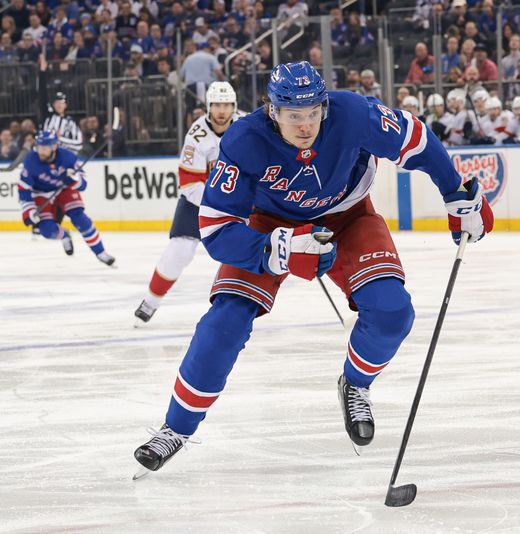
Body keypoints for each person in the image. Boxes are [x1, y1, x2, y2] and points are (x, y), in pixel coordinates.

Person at [132, 61, 494, 475]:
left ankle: (355, 384)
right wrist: (276, 249)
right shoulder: (244, 139)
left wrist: (455, 193)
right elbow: (215, 229)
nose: (305, 125)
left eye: (312, 113)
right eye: (293, 115)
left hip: (349, 214)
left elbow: (417, 139)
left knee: (393, 312)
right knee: (225, 322)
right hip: (267, 225)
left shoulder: (353, 113)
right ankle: (175, 429)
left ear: (324, 106)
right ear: (273, 111)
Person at [134, 82, 241, 326]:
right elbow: (190, 183)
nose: (222, 111)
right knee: (178, 251)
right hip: (199, 203)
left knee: (245, 252)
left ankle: (243, 305)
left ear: (233, 106)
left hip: (238, 202)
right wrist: (217, 203)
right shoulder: (197, 134)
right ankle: (150, 301)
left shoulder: (246, 127)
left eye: (226, 105)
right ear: (208, 107)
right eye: (216, 105)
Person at [18, 131, 115, 266]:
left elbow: (83, 185)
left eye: (44, 148)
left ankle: (100, 252)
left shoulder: (68, 157)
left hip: (64, 189)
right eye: (39, 147)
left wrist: (75, 179)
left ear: (54, 147)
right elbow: (23, 189)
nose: (41, 151)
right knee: (47, 230)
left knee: (79, 218)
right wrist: (28, 210)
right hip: (40, 193)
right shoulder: (31, 161)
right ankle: (65, 235)